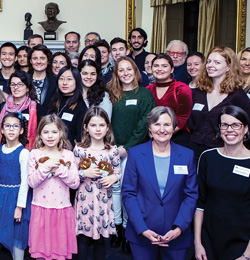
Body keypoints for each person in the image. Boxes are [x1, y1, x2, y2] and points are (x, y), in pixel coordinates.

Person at [193, 106, 250, 260]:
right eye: (225, 125)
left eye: (236, 125)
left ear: (246, 129)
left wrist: (247, 256)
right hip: (208, 240)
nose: (230, 130)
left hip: (241, 244)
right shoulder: (207, 158)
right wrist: (197, 243)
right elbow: (199, 204)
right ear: (219, 128)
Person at [122, 107, 198, 259]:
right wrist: (142, 229)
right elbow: (129, 194)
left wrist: (179, 228)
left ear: (174, 127)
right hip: (142, 232)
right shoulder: (136, 154)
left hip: (176, 233)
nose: (162, 129)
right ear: (149, 127)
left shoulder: (186, 155)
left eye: (167, 125)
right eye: (157, 124)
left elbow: (191, 195)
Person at [107, 57, 155, 252]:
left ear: (135, 71)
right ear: (116, 73)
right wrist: (111, 147)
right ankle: (116, 226)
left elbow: (145, 124)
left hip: (134, 150)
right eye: (121, 70)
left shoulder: (144, 95)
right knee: (114, 190)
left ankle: (128, 229)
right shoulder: (111, 94)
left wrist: (126, 148)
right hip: (111, 149)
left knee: (130, 191)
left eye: (129, 69)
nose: (125, 73)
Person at [27, 114, 80, 259]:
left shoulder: (68, 155)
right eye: (46, 132)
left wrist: (59, 170)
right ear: (40, 135)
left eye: (54, 132)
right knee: (40, 254)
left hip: (61, 210)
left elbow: (75, 183)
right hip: (40, 209)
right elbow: (31, 182)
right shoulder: (35, 154)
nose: (50, 136)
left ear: (61, 134)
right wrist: (45, 167)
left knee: (59, 254)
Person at [73, 107, 121, 260]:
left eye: (101, 125)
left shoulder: (112, 151)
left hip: (103, 201)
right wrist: (84, 173)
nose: (98, 129)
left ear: (108, 127)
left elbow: (118, 172)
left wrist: (114, 178)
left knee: (100, 240)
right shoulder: (79, 150)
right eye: (93, 125)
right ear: (86, 128)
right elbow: (72, 176)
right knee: (83, 239)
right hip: (84, 201)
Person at [188, 46, 250, 159]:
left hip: (222, 152)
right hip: (194, 150)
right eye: (208, 61)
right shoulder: (199, 92)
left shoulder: (237, 95)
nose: (210, 65)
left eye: (217, 62)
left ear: (228, 66)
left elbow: (248, 127)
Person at [0, 112, 31, 260]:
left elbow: (25, 183)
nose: (11, 129)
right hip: (1, 199)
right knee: (3, 235)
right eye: (8, 126)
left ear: (21, 130)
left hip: (17, 199)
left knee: (17, 236)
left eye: (15, 126)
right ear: (2, 129)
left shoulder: (23, 153)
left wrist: (19, 207)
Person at [0, 70, 46, 148]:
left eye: (20, 84)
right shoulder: (2, 107)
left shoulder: (37, 108)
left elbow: (42, 134)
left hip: (29, 152)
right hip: (4, 150)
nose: (16, 87)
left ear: (27, 88)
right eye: (13, 84)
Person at [145, 53, 193, 146]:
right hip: (152, 137)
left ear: (172, 69)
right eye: (156, 66)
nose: (159, 69)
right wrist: (153, 134)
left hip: (177, 138)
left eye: (164, 66)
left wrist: (162, 134)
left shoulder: (182, 89)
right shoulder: (147, 90)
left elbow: (182, 118)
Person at [49, 66, 88, 145]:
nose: (64, 83)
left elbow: (80, 137)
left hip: (69, 151)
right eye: (61, 78)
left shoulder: (81, 106)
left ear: (77, 81)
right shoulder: (54, 101)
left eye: (69, 79)